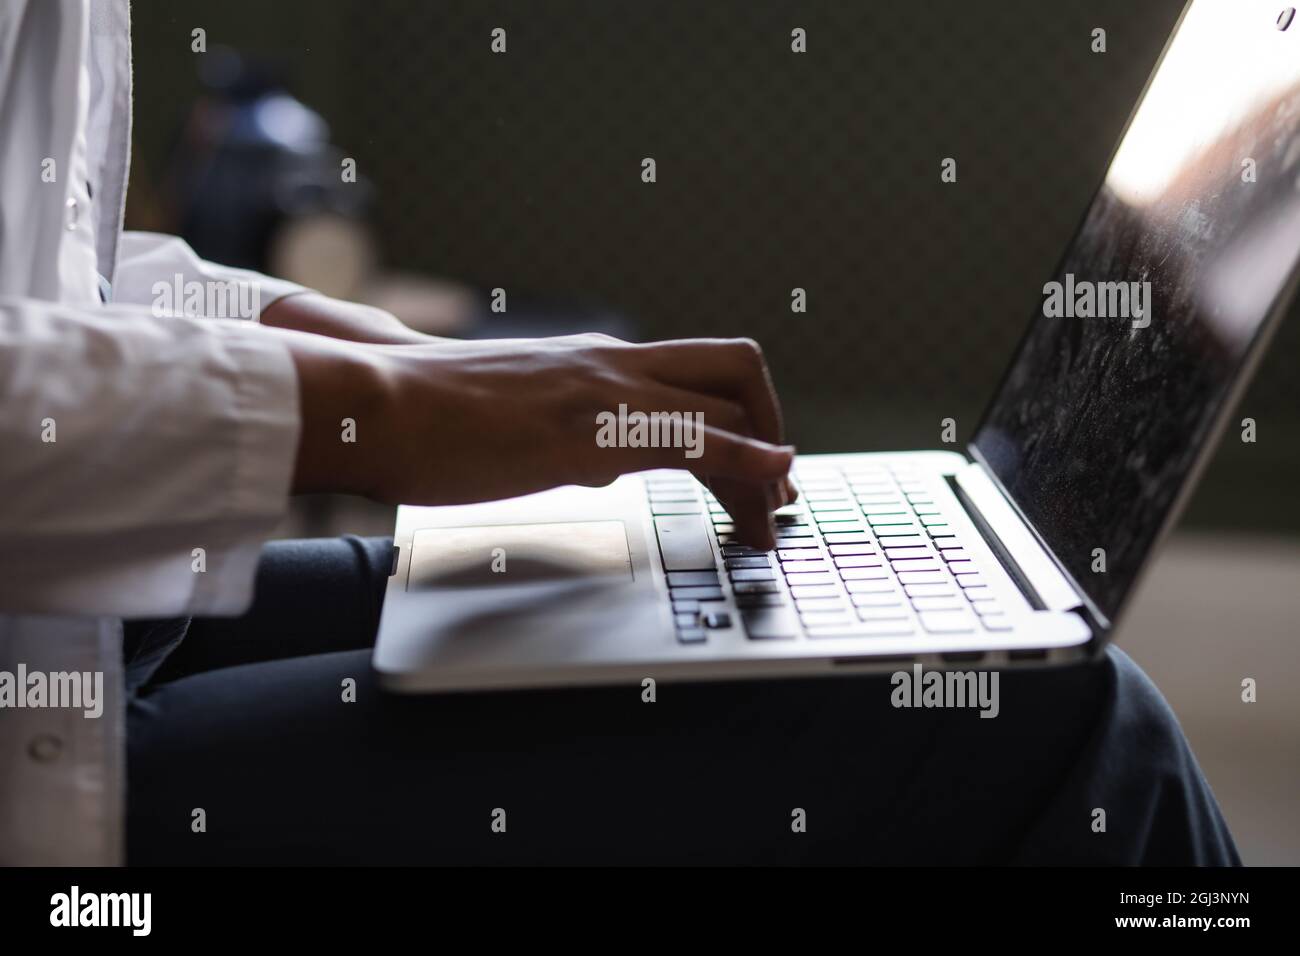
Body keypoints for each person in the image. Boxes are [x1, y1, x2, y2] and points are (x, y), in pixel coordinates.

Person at [1, 0, 1239, 865]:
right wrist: (377, 414)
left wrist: (382, 350)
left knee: (689, 598)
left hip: (80, 600)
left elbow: (49, 258)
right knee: (1047, 723)